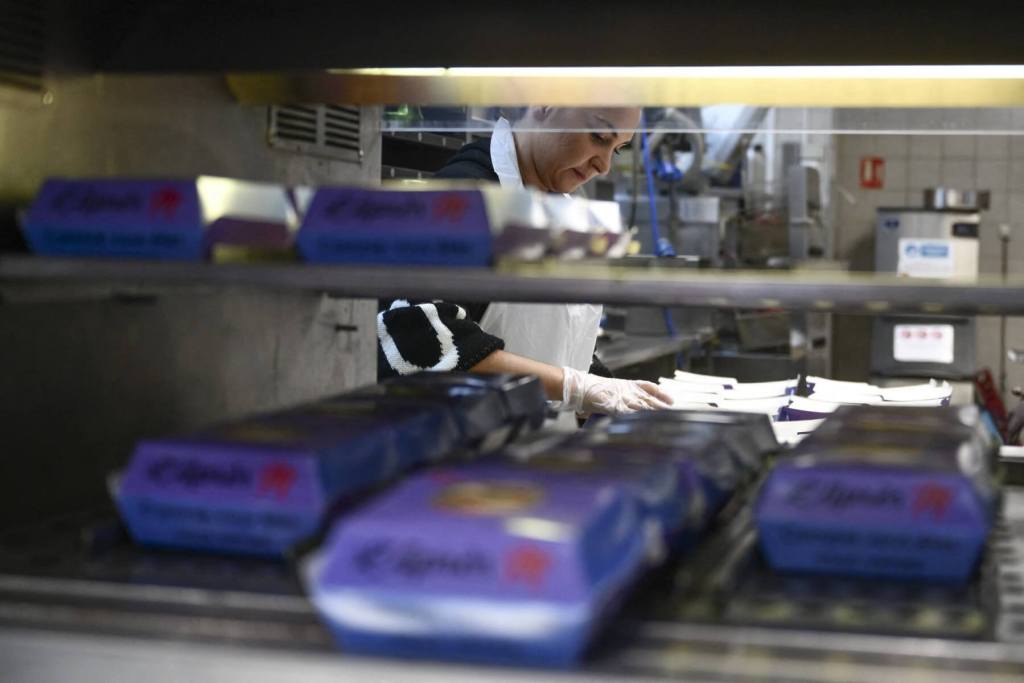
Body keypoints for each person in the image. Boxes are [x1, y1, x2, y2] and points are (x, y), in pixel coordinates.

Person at [377, 107, 672, 416]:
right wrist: (575, 387)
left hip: (536, 447)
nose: (604, 165)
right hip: (464, 449)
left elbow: (558, 343)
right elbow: (420, 342)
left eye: (618, 149)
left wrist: (607, 388)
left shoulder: (564, 212)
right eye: (599, 137)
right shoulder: (464, 196)